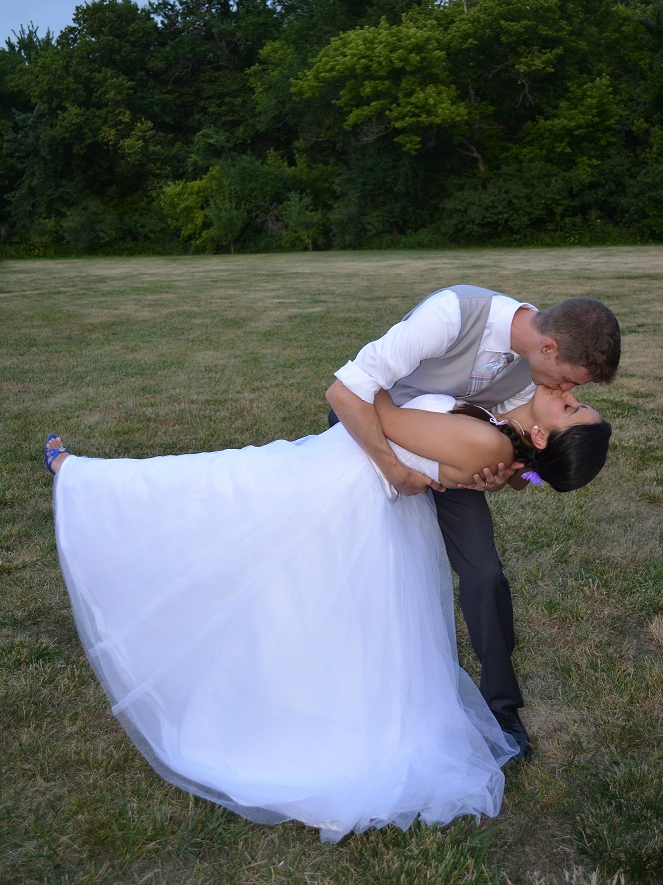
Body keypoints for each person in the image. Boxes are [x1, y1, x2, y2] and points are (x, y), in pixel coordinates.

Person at [45, 382, 611, 843]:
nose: (573, 394)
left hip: (337, 482)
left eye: (574, 408)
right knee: (269, 554)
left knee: (217, 495)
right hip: (358, 488)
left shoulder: (490, 445)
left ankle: (85, 481)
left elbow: (381, 409)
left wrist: (390, 375)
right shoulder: (501, 434)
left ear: (540, 435)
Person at [326, 285, 621, 761]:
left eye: (574, 393)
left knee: (485, 574)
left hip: (449, 459)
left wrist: (506, 475)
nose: (567, 390)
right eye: (571, 382)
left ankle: (502, 706)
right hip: (371, 434)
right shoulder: (453, 315)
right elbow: (348, 391)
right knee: (367, 564)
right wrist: (394, 470)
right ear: (550, 348)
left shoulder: (538, 379)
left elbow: (533, 451)